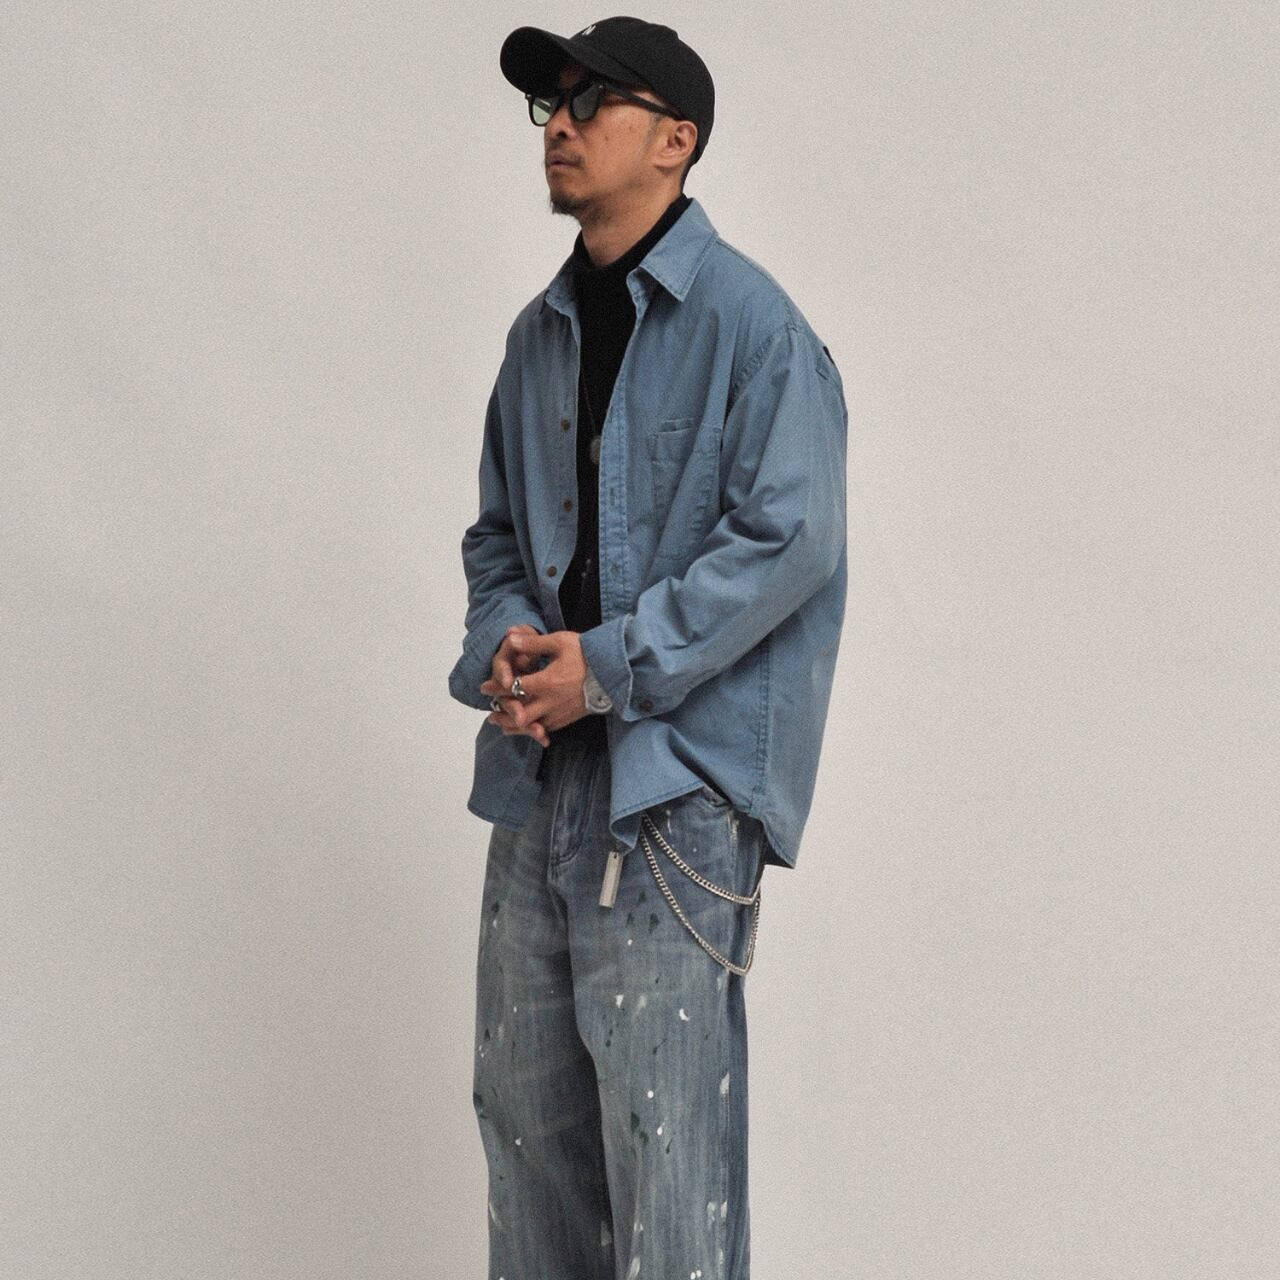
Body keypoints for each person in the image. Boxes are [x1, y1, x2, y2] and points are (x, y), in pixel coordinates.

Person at [447, 16, 849, 1278]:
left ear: (675, 141)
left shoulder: (754, 328)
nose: (558, 125)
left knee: (665, 1157)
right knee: (524, 1129)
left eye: (591, 101)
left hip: (670, 798)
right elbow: (496, 535)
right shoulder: (537, 337)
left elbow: (789, 537)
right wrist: (506, 643)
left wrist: (608, 666)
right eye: (549, 104)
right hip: (538, 781)